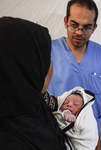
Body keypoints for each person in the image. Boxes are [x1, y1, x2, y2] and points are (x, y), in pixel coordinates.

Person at [47, 0, 101, 143]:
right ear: (65, 21)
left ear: (94, 27)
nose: (79, 32)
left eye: (86, 27)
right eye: (74, 25)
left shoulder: (100, 53)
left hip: (92, 133)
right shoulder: (49, 51)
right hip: (57, 132)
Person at [0, 17, 66, 150]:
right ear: (26, 66)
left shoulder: (35, 103)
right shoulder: (12, 141)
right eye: (46, 57)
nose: (51, 65)